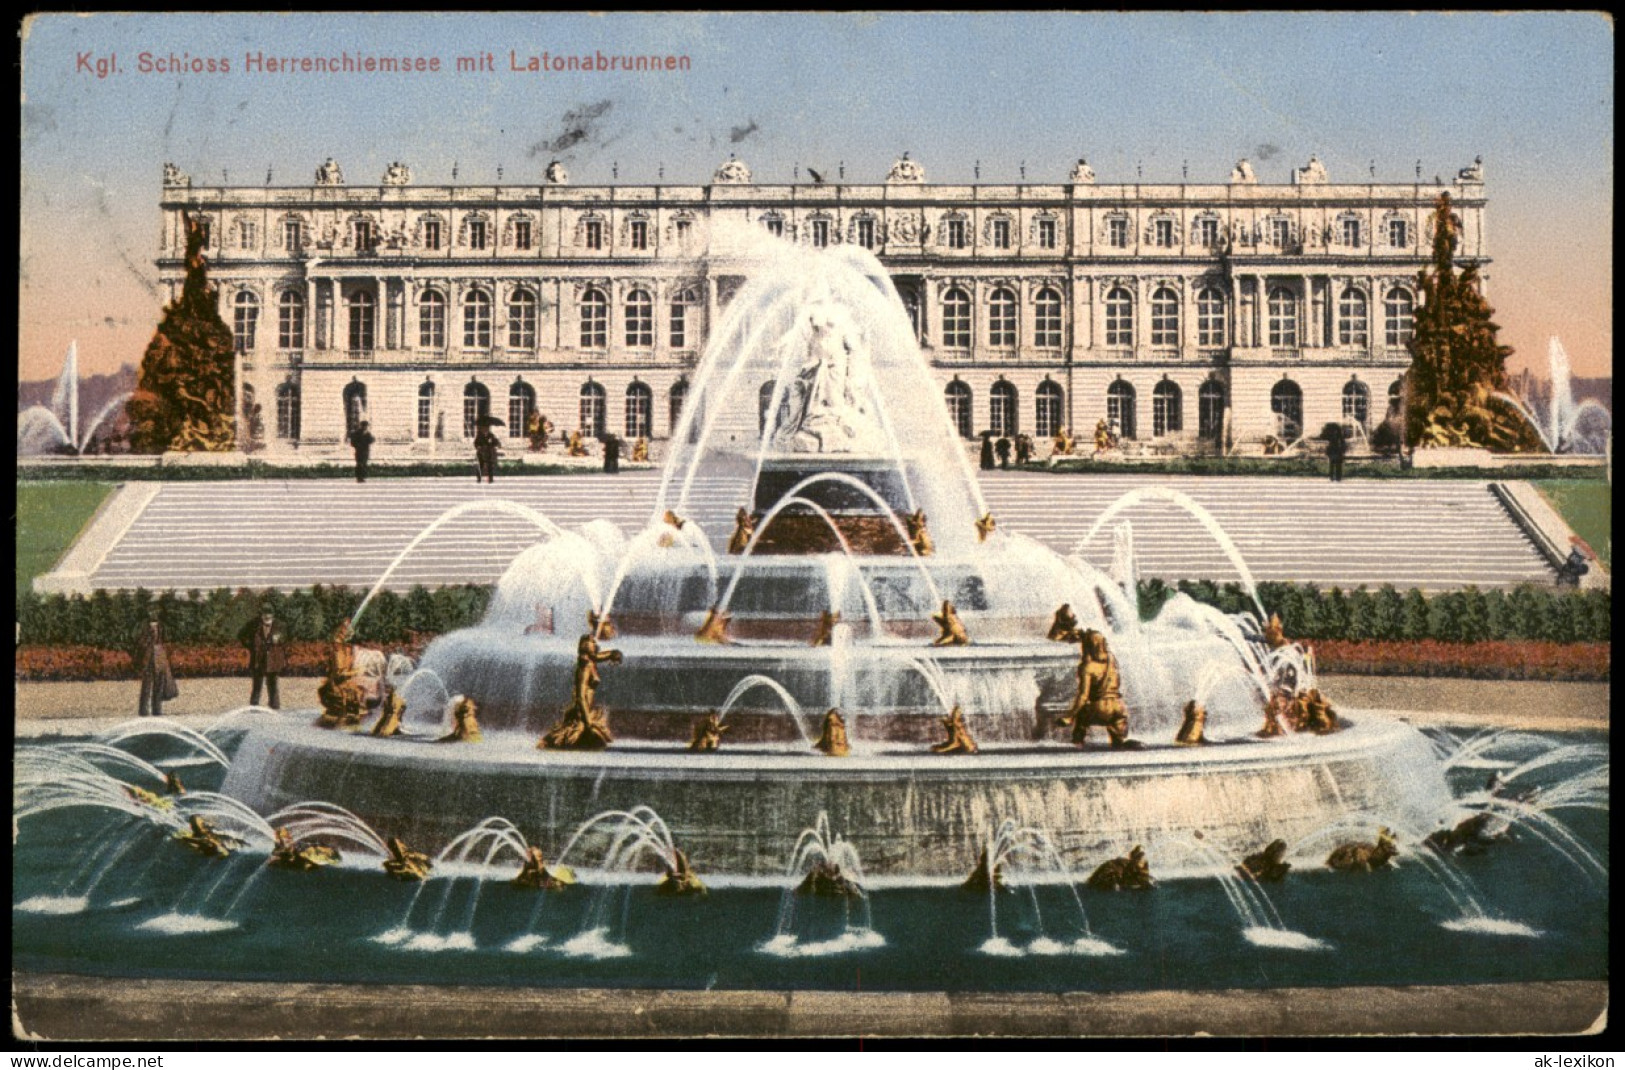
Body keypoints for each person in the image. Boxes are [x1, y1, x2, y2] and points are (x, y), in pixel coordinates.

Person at [238, 607, 287, 709]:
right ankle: (254, 707)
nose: (267, 616)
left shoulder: (280, 625)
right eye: (265, 614)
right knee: (256, 685)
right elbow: (241, 635)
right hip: (258, 659)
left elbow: (287, 637)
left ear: (273, 615)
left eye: (269, 614)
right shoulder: (254, 624)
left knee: (273, 685)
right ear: (261, 615)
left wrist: (279, 639)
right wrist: (251, 646)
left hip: (273, 660)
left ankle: (274, 707)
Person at [133, 607, 177, 718]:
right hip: (148, 658)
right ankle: (143, 711)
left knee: (159, 684)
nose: (154, 614)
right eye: (152, 612)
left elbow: (165, 641)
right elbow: (140, 642)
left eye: (155, 612)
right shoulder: (144, 627)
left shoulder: (161, 627)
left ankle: (156, 710)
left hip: (159, 657)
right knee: (146, 685)